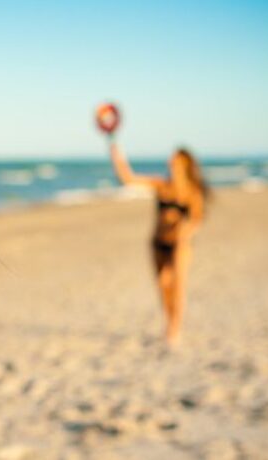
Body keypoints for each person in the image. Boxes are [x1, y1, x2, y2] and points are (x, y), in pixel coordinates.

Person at [97, 105, 209, 345]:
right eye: (171, 161)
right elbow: (128, 178)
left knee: (178, 286)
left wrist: (185, 232)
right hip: (157, 242)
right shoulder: (161, 185)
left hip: (180, 244)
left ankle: (174, 329)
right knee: (162, 286)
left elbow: (197, 219)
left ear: (184, 165)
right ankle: (169, 321)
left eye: (176, 162)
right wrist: (114, 149)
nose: (171, 164)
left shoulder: (192, 192)